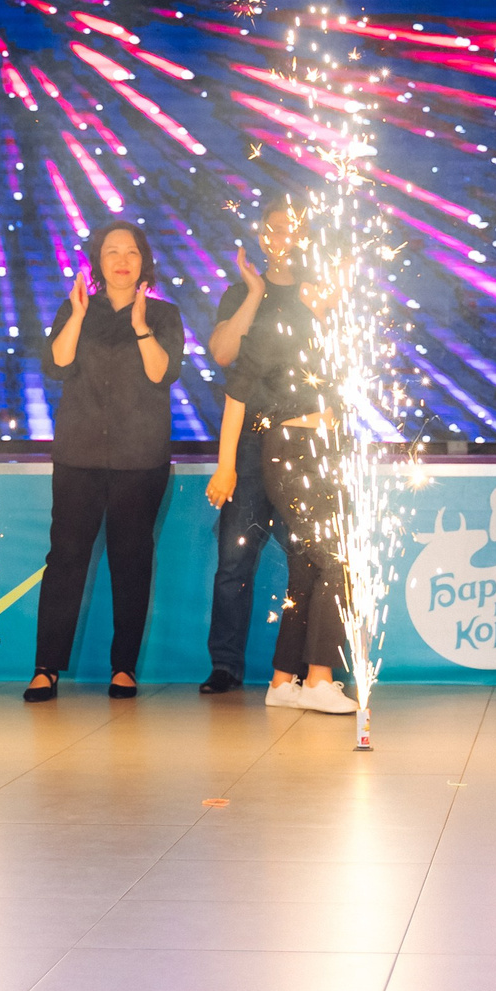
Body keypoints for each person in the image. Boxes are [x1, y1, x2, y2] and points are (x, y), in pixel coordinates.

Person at [205, 202, 360, 715]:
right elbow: (236, 392)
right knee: (335, 559)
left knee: (305, 567)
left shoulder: (330, 337)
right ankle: (318, 679)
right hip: (286, 451)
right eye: (325, 282)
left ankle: (283, 679)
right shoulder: (275, 328)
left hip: (326, 452)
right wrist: (227, 463)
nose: (330, 287)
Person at [26, 222, 186, 702]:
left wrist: (139, 327)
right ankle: (46, 668)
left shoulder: (162, 314)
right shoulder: (74, 307)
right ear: (97, 260)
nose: (122, 259)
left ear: (143, 261)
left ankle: (124, 668)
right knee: (66, 559)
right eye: (112, 251)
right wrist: (75, 316)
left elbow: (164, 373)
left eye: (131, 252)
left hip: (141, 460)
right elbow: (55, 366)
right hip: (79, 455)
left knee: (131, 560)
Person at [199, 203, 297, 696]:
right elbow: (222, 353)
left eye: (297, 229)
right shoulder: (241, 293)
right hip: (251, 439)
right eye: (278, 228)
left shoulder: (320, 294)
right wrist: (256, 292)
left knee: (310, 559)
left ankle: (303, 664)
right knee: (235, 561)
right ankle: (225, 665)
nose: (287, 237)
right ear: (263, 236)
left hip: (306, 444)